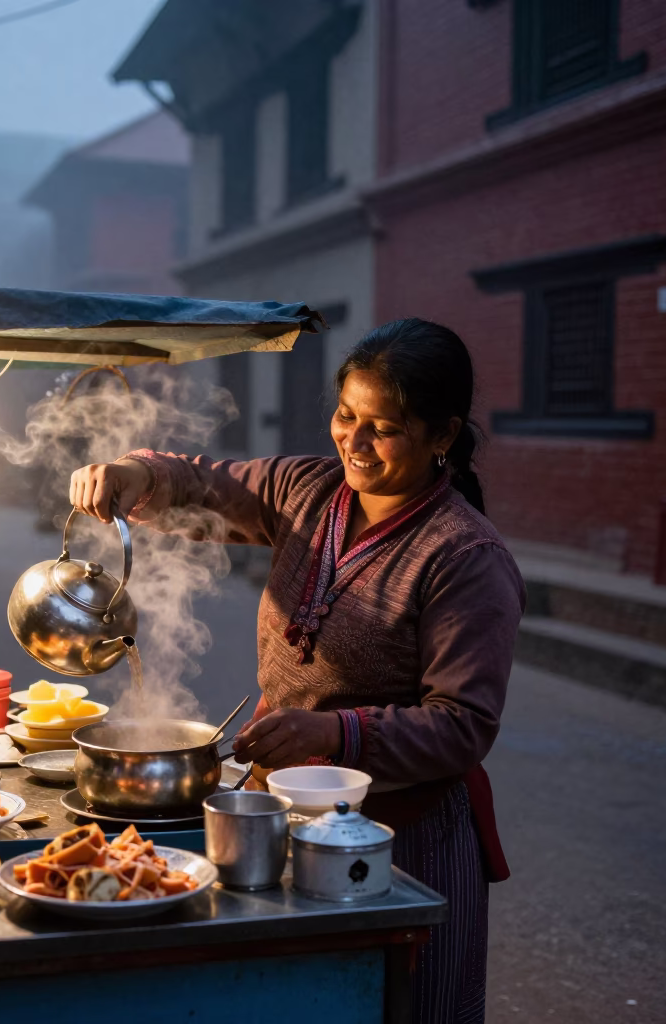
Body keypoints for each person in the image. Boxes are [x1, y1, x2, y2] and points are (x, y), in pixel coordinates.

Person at [69, 318, 525, 1024]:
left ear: (442, 435)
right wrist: (136, 474)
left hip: (402, 838)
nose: (355, 441)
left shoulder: (464, 557)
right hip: (277, 820)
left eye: (385, 427)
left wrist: (332, 732)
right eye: (346, 417)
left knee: (401, 1005)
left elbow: (462, 726)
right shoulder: (306, 491)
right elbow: (203, 485)